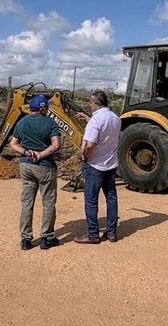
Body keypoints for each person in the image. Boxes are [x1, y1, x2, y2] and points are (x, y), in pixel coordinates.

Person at [9, 94, 61, 250]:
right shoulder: (50, 123)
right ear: (42, 108)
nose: (48, 109)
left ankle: (25, 239)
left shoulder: (21, 123)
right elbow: (56, 145)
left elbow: (13, 143)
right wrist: (40, 155)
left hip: (26, 166)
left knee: (27, 203)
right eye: (47, 107)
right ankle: (47, 237)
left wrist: (26, 152)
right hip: (45, 166)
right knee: (48, 203)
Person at [73, 90, 120, 244]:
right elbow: (104, 130)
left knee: (91, 200)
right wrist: (88, 118)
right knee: (111, 198)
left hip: (95, 165)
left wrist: (85, 156)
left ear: (97, 104)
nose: (89, 105)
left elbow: (90, 144)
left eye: (91, 103)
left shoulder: (95, 120)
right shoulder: (115, 118)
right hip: (111, 164)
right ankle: (111, 233)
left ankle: (93, 235)